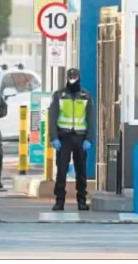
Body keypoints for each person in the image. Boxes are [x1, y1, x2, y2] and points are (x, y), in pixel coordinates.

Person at [48, 68, 94, 211]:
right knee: (61, 171)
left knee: (81, 172)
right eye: (70, 76)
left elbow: (91, 119)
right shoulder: (59, 95)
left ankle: (81, 200)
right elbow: (52, 117)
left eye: (74, 76)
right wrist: (54, 137)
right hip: (64, 138)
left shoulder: (85, 96)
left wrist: (89, 139)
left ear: (79, 78)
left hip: (80, 138)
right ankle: (59, 200)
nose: (72, 79)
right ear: (66, 78)